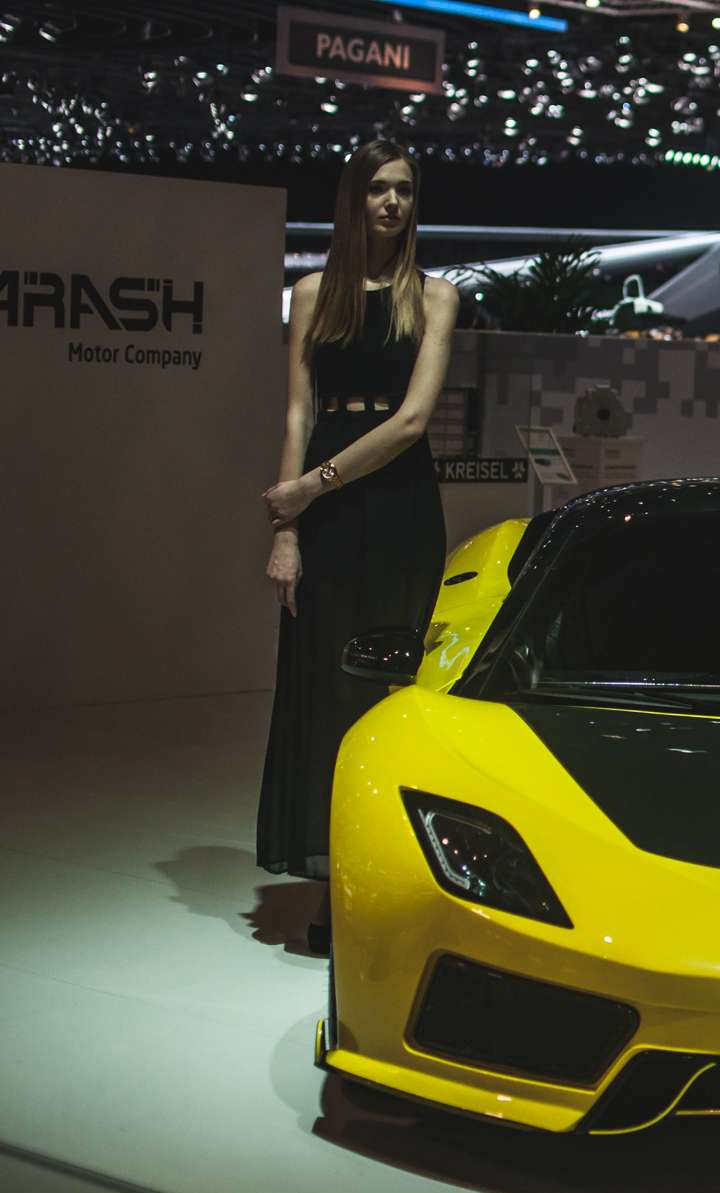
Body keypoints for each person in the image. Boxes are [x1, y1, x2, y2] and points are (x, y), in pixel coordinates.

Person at [257, 139, 459, 952]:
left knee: (390, 696)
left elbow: (412, 423)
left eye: (404, 189)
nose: (392, 202)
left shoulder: (436, 297)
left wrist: (310, 486)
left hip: (400, 506)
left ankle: (391, 880)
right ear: (354, 198)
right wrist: (287, 529)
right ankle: (334, 884)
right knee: (325, 697)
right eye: (378, 188)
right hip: (328, 517)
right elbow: (297, 413)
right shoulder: (312, 293)